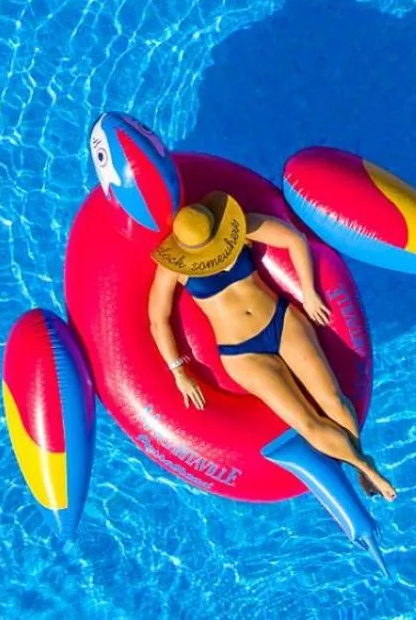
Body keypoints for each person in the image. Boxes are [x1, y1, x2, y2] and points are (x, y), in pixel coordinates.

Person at [146, 191, 396, 501]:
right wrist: (178, 373)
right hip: (242, 352)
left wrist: (309, 292)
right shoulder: (174, 267)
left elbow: (294, 239)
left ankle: (360, 462)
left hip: (280, 319)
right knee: (307, 422)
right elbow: (159, 319)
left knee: (333, 399)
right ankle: (367, 468)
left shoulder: (240, 228)